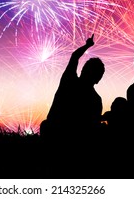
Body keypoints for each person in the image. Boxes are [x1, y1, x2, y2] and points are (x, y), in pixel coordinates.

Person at [39, 34, 105, 177]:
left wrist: (87, 46)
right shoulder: (96, 100)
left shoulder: (69, 81)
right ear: (99, 79)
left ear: (83, 70)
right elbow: (90, 126)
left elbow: (75, 56)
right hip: (76, 148)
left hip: (53, 139)